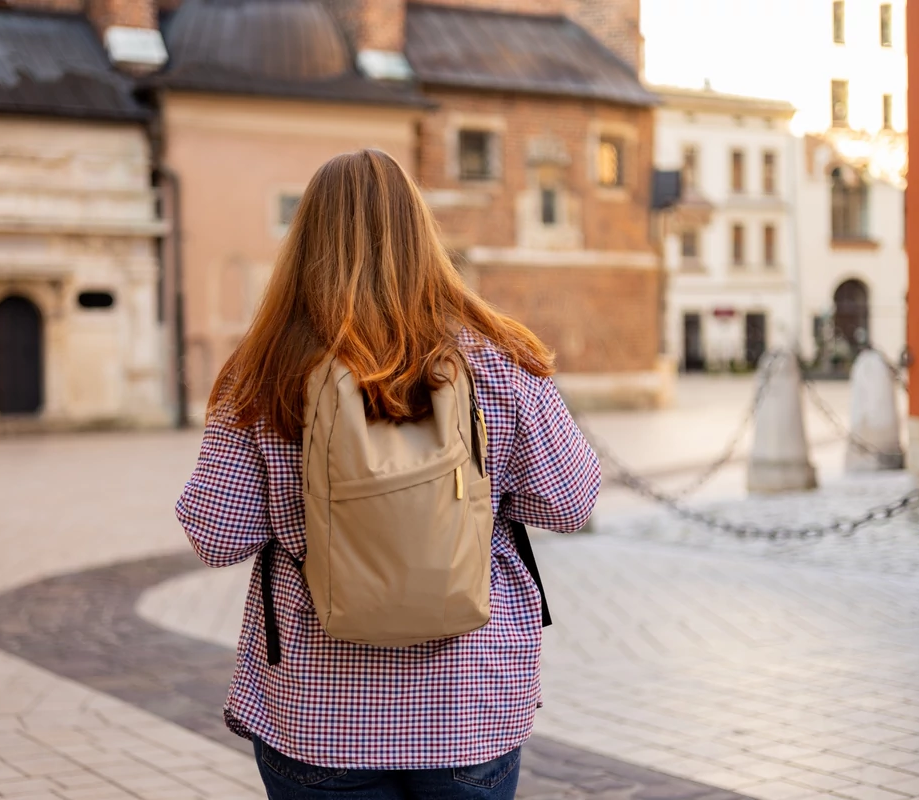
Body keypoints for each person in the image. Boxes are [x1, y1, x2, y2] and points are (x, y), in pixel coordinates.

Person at [177, 149, 601, 799]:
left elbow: (217, 536)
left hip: (320, 712)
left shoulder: (261, 373)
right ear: (420, 233)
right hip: (468, 706)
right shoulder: (497, 359)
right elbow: (572, 503)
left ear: (306, 242)